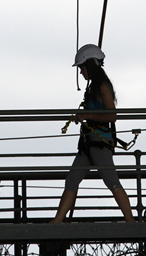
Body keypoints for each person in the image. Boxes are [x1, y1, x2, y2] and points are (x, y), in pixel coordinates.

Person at [50, 44, 135, 223]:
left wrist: (87, 115)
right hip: (90, 144)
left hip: (99, 143)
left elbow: (112, 116)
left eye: (82, 67)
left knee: (111, 181)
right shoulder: (93, 88)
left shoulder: (102, 87)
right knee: (72, 180)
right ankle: (56, 222)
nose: (81, 72)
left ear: (90, 65)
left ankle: (131, 222)